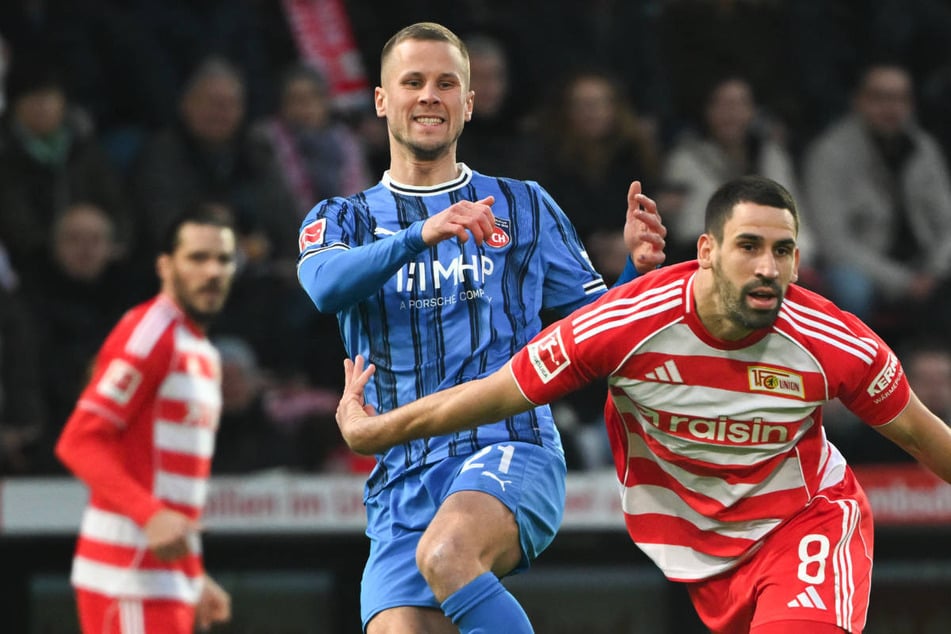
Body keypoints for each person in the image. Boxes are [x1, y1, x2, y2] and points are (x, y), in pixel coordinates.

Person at [338, 175, 951, 634]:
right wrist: (375, 433)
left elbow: (926, 439)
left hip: (804, 523)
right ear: (707, 250)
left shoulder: (833, 341)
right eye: (749, 246)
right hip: (694, 546)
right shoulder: (627, 323)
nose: (768, 268)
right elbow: (492, 394)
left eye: (783, 250)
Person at [296, 22, 666, 634]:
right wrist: (421, 234)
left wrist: (633, 272)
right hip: (401, 475)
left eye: (447, 83)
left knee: (449, 555)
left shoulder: (523, 205)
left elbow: (597, 334)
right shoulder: (344, 217)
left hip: (509, 445)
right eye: (412, 82)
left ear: (469, 102)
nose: (429, 96)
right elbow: (325, 286)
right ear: (382, 100)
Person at [54, 204, 236, 633]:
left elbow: (172, 490)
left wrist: (192, 576)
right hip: (127, 577)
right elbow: (79, 440)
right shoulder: (151, 332)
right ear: (164, 265)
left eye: (224, 260)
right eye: (197, 258)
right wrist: (149, 515)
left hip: (160, 579)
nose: (212, 271)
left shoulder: (203, 351)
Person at [801, 62, 951, 341]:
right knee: (851, 289)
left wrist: (934, 271)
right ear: (859, 101)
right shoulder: (830, 153)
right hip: (862, 266)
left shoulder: (923, 149)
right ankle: (856, 373)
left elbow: (946, 222)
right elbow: (833, 241)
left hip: (923, 265)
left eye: (900, 98)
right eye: (880, 98)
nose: (891, 107)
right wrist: (903, 282)